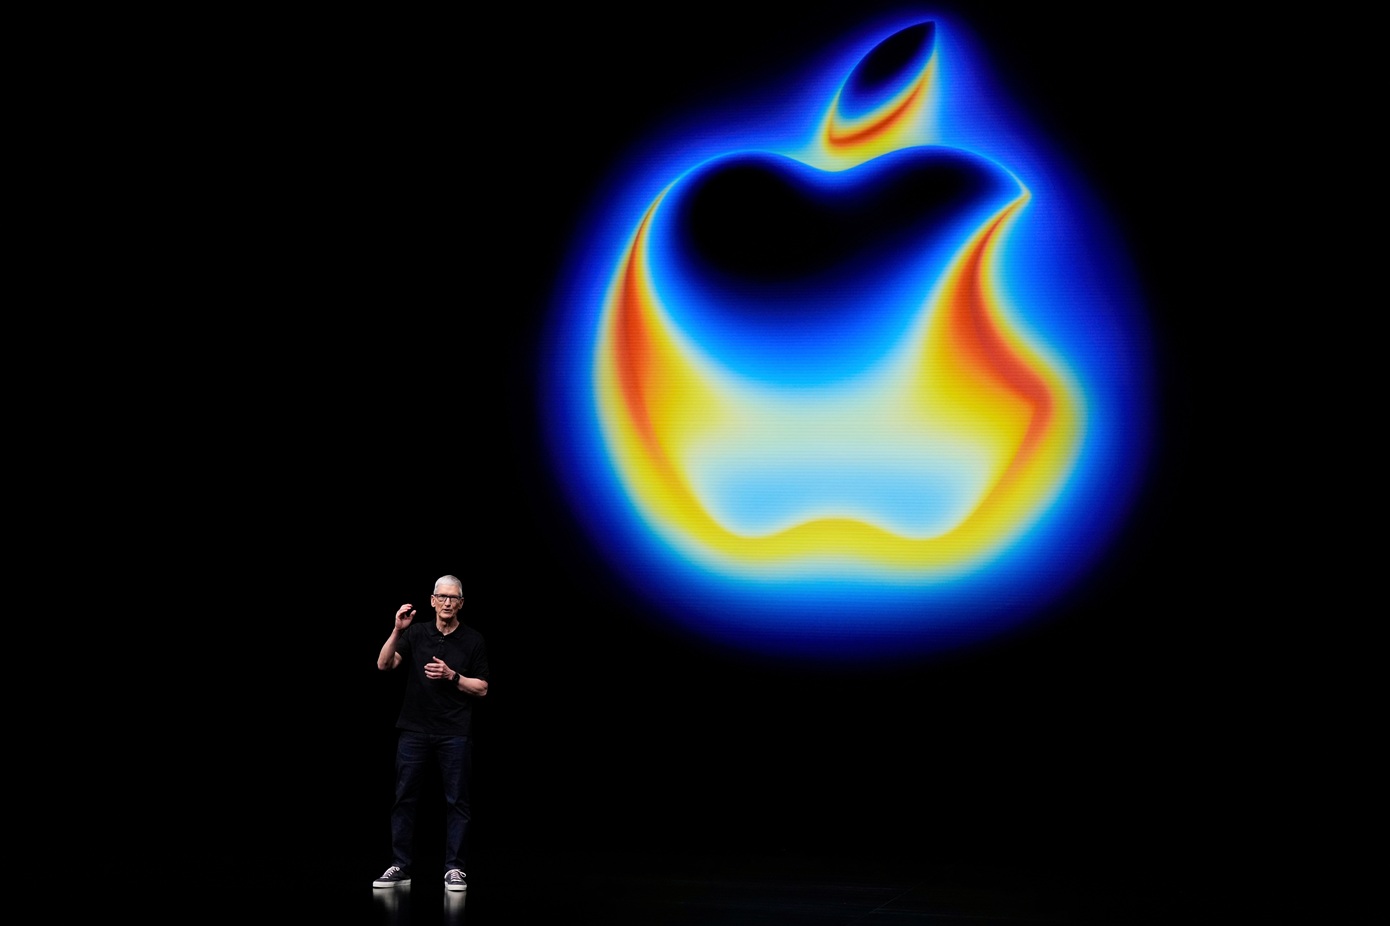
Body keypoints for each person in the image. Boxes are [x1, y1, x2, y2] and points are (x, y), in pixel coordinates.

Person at [372, 575, 490, 892]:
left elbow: (482, 688)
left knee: (457, 802)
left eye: (454, 598)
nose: (448, 602)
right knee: (404, 798)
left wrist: (452, 676)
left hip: (455, 732)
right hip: (414, 729)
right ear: (433, 600)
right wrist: (397, 629)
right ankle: (400, 866)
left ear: (461, 603)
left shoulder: (473, 640)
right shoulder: (416, 632)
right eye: (443, 597)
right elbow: (384, 665)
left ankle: (455, 869)